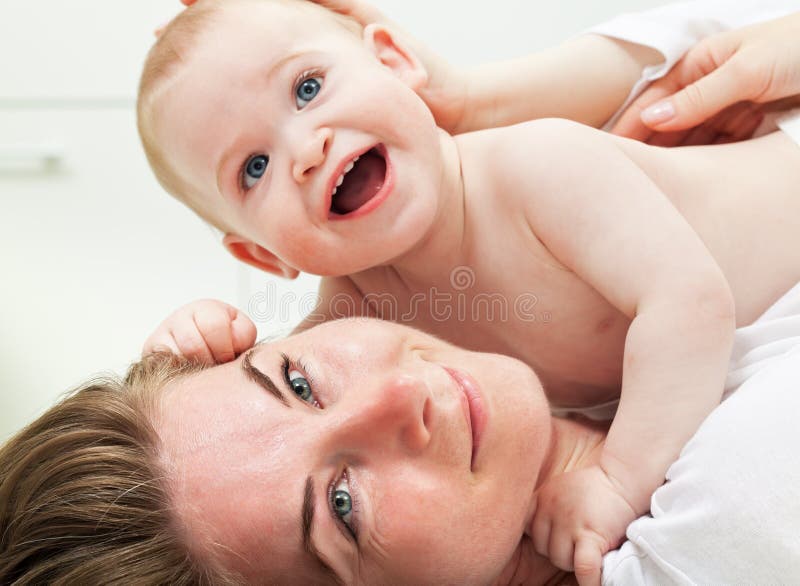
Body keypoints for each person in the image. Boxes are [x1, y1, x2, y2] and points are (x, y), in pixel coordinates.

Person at [136, 0, 800, 579]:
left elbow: (690, 305)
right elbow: (281, 404)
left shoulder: (536, 168)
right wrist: (198, 350)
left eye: (307, 88)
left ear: (396, 63)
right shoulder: (356, 309)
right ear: (262, 254)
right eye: (255, 168)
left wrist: (618, 481)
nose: (306, 149)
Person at [3, 313, 800, 584]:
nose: (397, 398)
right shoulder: (727, 518)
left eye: (299, 379)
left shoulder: (596, 369)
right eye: (342, 508)